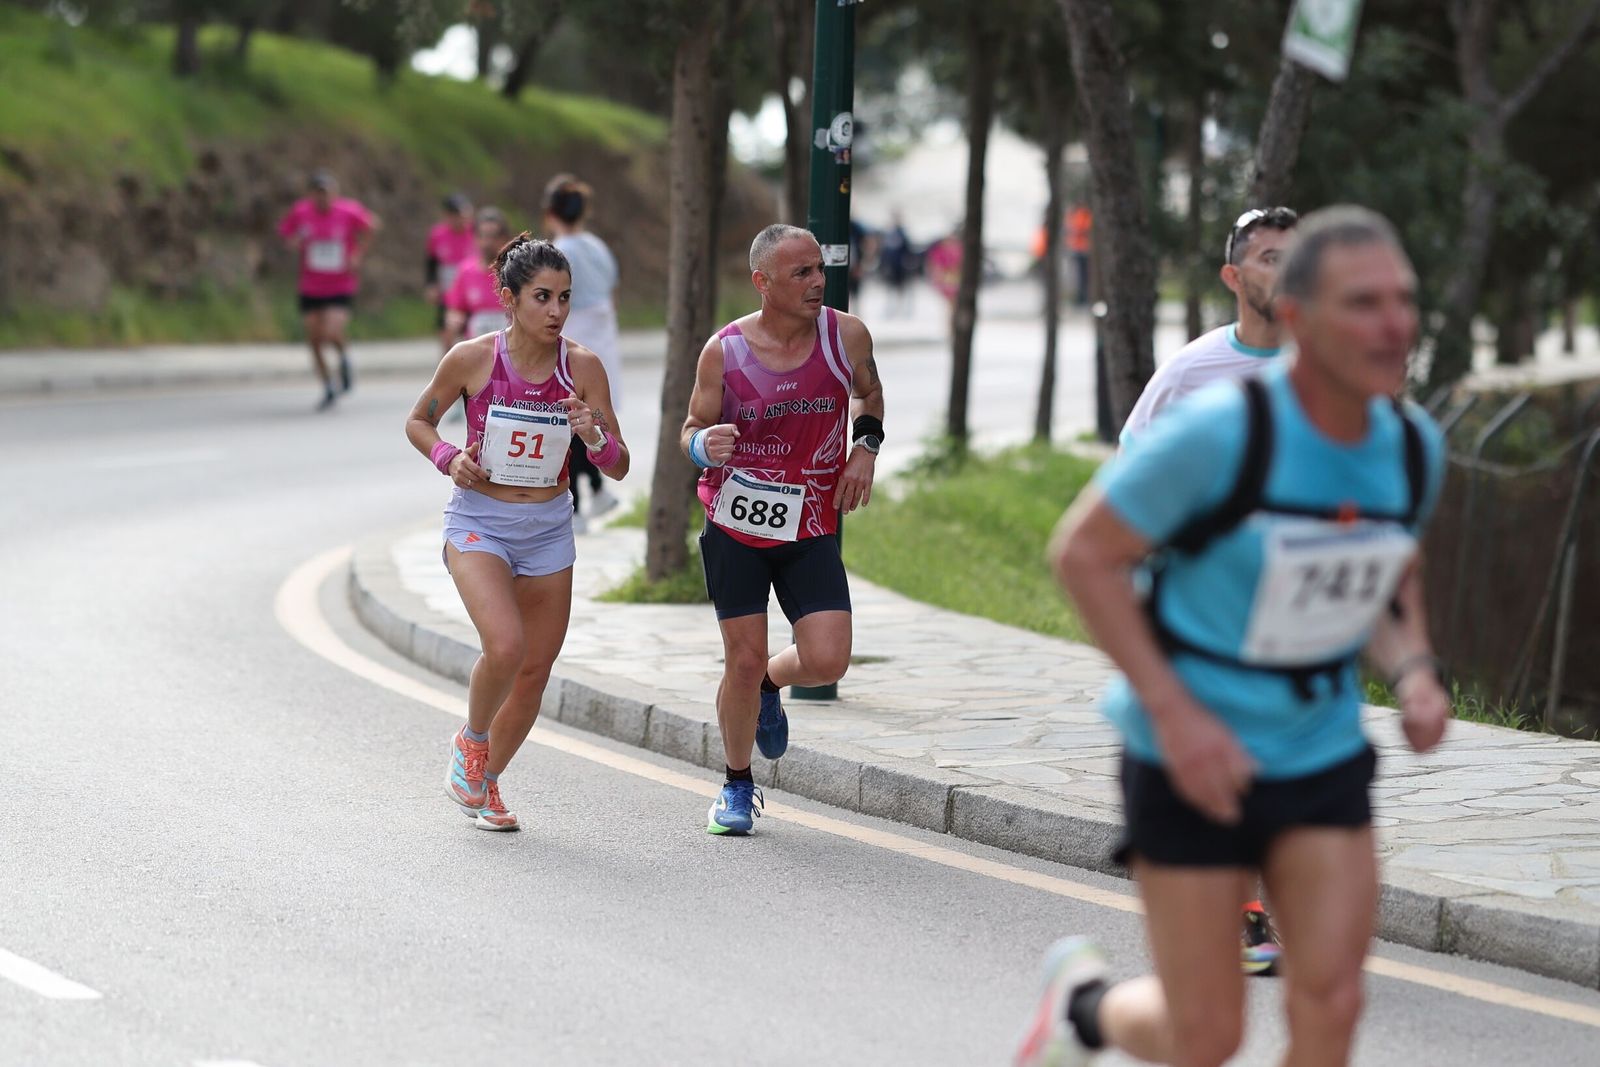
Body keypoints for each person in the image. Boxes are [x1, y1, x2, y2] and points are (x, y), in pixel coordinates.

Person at [1013, 206, 1452, 1067]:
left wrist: (1415, 670)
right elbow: (1085, 555)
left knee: (1332, 999)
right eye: (1363, 302)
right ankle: (1087, 1007)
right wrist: (1175, 714)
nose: (1394, 321)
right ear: (1297, 318)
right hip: (1190, 751)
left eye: (1402, 298)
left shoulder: (1410, 446)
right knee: (1206, 1032)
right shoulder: (1223, 429)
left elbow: (1387, 572)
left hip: (1318, 748)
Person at [1121, 205, 1300, 976]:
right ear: (1233, 276)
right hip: (1204, 611)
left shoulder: (1328, 367)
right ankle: (1246, 907)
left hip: (1294, 613)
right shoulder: (1193, 372)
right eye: (1268, 257)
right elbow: (1130, 478)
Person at [404, 234, 629, 832]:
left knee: (534, 671)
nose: (556, 311)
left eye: (564, 298)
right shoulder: (472, 358)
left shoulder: (582, 368)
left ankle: (487, 783)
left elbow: (619, 463)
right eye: (541, 297)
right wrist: (449, 456)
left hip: (549, 529)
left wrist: (595, 435)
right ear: (508, 299)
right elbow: (419, 421)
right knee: (505, 647)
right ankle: (471, 743)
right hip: (481, 522)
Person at [681, 223, 885, 836]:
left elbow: (868, 395)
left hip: (810, 520)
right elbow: (692, 425)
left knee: (827, 661)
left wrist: (865, 448)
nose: (818, 280)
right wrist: (701, 446)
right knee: (738, 661)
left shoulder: (846, 335)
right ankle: (736, 786)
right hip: (735, 521)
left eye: (820, 268)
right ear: (762, 282)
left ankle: (775, 679)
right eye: (801, 273)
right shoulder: (725, 350)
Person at [1121, 206, 1300, 449]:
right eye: (1272, 259)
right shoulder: (1187, 373)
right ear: (1233, 278)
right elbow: (1129, 468)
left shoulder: (1335, 364)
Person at [543, 174, 622, 531]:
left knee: (570, 427)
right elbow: (612, 292)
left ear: (550, 212)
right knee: (592, 423)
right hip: (603, 338)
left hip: (574, 337)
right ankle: (597, 489)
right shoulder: (596, 246)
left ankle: (576, 505)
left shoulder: (558, 252)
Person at [276, 171, 378, 410]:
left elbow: (371, 226)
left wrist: (357, 254)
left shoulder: (348, 211)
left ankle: (343, 359)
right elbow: (285, 231)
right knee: (314, 338)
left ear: (335, 193)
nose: (323, 198)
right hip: (311, 285)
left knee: (332, 331)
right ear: (312, 194)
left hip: (340, 284)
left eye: (327, 193)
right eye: (318, 193)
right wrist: (292, 242)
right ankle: (328, 386)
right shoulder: (301, 212)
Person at [442, 207, 514, 342]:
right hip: (477, 352)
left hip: (511, 352)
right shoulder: (466, 271)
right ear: (475, 238)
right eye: (482, 236)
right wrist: (454, 320)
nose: (488, 242)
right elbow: (454, 310)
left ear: (505, 238)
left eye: (494, 236)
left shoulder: (515, 272)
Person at [426, 193, 478, 356]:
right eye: (456, 215)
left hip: (471, 294)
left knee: (471, 339)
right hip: (447, 294)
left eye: (464, 214)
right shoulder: (437, 235)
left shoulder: (476, 233)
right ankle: (448, 371)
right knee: (446, 337)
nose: (461, 219)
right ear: (447, 216)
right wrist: (431, 284)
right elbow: (431, 261)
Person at [877, 214, 913, 317]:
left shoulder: (903, 234)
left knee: (901, 288)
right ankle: (891, 309)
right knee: (891, 289)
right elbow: (884, 252)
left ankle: (902, 309)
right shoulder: (888, 234)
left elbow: (908, 250)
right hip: (891, 267)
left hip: (901, 267)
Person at [1067, 203, 1093, 307]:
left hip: (1083, 250)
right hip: (1077, 249)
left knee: (1083, 276)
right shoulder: (1075, 216)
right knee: (1080, 276)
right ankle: (1080, 298)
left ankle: (1083, 298)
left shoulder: (1083, 215)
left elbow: (1082, 230)